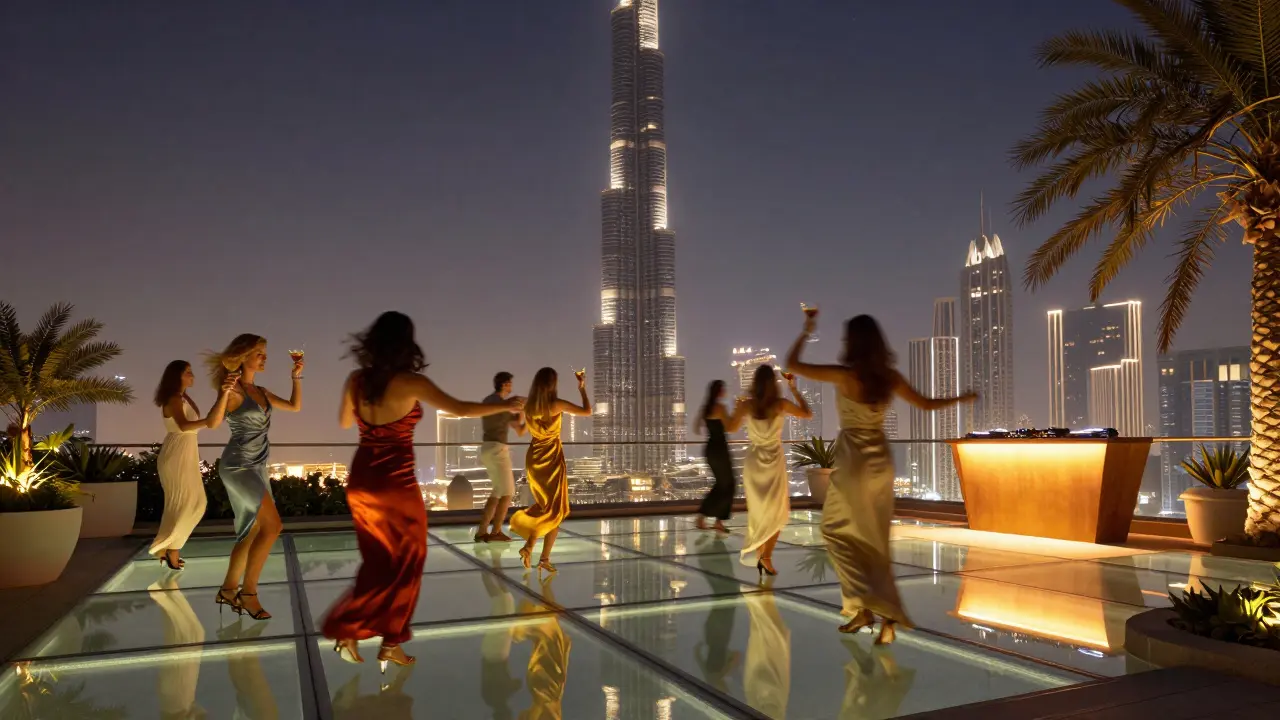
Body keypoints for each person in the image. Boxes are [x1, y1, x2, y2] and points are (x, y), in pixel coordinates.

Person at [323, 311, 521, 669]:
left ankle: (356, 631)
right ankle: (386, 640)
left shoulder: (356, 380)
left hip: (362, 478)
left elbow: (342, 421)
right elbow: (461, 409)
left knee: (378, 560)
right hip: (395, 482)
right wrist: (505, 405)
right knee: (409, 559)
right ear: (406, 344)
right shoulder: (411, 382)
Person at [787, 312, 974, 644]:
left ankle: (871, 605)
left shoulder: (845, 375)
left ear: (853, 343)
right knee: (873, 541)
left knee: (835, 531)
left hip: (854, 461)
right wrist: (960, 398)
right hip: (880, 461)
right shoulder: (889, 378)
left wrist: (807, 330)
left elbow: (793, 364)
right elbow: (926, 405)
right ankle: (874, 613)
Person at [207, 334, 303, 621]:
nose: (264, 358)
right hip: (238, 466)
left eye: (264, 353)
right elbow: (212, 423)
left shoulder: (260, 391)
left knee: (251, 531)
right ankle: (248, 594)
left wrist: (296, 377)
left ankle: (227, 590)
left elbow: (295, 407)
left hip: (258, 466)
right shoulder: (234, 389)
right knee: (273, 527)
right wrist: (223, 393)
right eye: (259, 353)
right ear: (243, 356)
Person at [148, 360, 235, 570]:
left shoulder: (183, 397)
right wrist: (207, 422)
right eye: (187, 372)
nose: (192, 375)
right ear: (176, 376)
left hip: (185, 452)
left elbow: (197, 424)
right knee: (188, 503)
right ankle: (171, 549)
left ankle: (168, 548)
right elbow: (184, 425)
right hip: (176, 454)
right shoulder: (174, 398)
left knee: (190, 503)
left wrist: (221, 398)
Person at [731, 365, 811, 576]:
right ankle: (766, 557)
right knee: (778, 511)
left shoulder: (746, 405)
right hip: (774, 460)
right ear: (773, 384)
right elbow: (807, 414)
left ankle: (762, 556)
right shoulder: (780, 404)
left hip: (754, 462)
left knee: (759, 512)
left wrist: (735, 409)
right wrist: (793, 389)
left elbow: (731, 427)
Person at [511, 367, 591, 573]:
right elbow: (587, 411)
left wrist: (516, 416)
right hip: (552, 460)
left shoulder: (529, 406)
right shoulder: (556, 404)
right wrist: (582, 387)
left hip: (534, 459)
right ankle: (537, 553)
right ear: (552, 384)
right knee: (555, 511)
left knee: (549, 510)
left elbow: (522, 430)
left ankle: (538, 553)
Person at [476, 371, 527, 542]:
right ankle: (496, 532)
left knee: (497, 491)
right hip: (498, 449)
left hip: (487, 448)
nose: (511, 387)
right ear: (504, 384)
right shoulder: (503, 404)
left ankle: (482, 531)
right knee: (508, 492)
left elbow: (517, 426)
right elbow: (520, 429)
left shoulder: (488, 401)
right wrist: (526, 410)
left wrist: (521, 411)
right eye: (509, 383)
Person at [692, 380, 736, 533]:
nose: (725, 391)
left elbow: (696, 428)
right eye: (723, 389)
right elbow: (730, 427)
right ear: (718, 391)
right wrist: (738, 411)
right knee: (728, 484)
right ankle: (713, 519)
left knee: (722, 484)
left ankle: (709, 518)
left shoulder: (705, 408)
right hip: (720, 449)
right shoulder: (720, 407)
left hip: (710, 448)